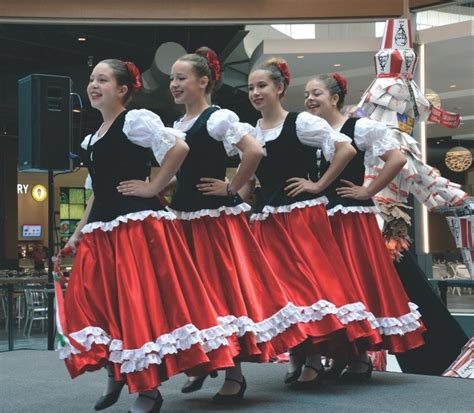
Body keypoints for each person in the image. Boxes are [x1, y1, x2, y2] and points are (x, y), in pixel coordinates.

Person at [118, 47, 345, 401]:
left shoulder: (217, 117)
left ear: (203, 82)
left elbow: (252, 151)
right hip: (184, 220)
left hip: (214, 222)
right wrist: (161, 186)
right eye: (173, 79)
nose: (174, 84)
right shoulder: (178, 126)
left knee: (221, 297)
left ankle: (234, 374)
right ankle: (207, 362)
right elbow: (182, 171)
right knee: (194, 299)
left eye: (181, 78)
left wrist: (232, 188)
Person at [60, 59, 242, 413]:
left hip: (136, 229)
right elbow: (98, 191)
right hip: (104, 232)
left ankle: (146, 389)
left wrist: (153, 187)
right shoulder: (92, 138)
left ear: (123, 89)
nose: (94, 85)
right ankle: (119, 373)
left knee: (140, 306)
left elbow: (179, 149)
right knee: (107, 306)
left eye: (103, 80)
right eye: (92, 80)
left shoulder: (134, 121)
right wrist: (77, 233)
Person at [207, 57, 382, 388]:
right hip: (267, 220)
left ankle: (320, 356)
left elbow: (344, 150)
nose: (256, 92)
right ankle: (303, 354)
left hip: (301, 217)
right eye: (252, 87)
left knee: (309, 286)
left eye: (263, 86)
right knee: (281, 292)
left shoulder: (301, 123)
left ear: (280, 88)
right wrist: (231, 195)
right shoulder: (252, 131)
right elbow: (251, 185)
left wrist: (317, 185)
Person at [301, 73, 425, 380]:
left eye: (316, 93)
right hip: (319, 218)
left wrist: (368, 191)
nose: (310, 99)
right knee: (328, 288)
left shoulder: (360, 127)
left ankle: (359, 356)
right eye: (307, 94)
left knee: (356, 283)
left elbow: (396, 159)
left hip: (350, 217)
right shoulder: (308, 131)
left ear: (334, 98)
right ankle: (342, 353)